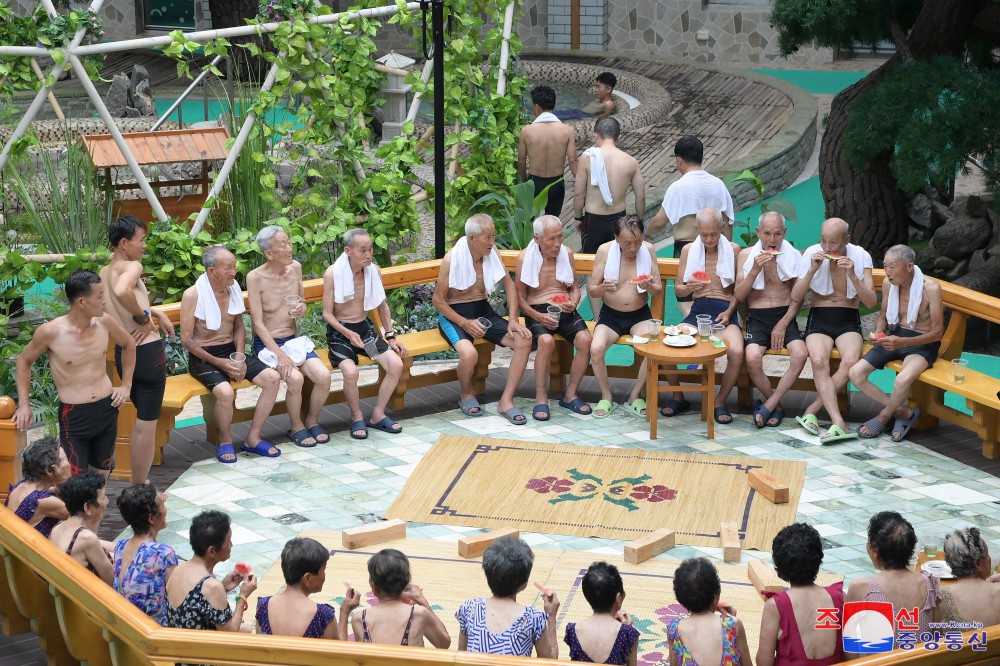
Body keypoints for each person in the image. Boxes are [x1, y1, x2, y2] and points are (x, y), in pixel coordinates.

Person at [13, 269, 135, 476]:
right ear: (81, 302)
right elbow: (24, 362)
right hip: (74, 414)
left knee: (101, 475)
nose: (105, 301)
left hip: (107, 407)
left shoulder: (105, 322)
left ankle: (98, 508)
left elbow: (129, 344)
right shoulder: (51, 332)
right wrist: (24, 406)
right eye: (99, 296)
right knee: (74, 479)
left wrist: (126, 386)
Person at [180, 246, 282, 463]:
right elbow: (187, 340)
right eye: (228, 267)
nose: (234, 271)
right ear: (211, 271)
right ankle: (225, 440)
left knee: (273, 378)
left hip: (230, 351)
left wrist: (238, 357)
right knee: (226, 393)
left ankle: (253, 437)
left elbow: (238, 327)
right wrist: (220, 363)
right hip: (204, 355)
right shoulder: (193, 295)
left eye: (234, 266)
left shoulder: (232, 287)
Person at [433, 215, 533, 424]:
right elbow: (438, 301)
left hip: (482, 310)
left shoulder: (491, 253)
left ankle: (506, 400)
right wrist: (464, 323)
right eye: (488, 237)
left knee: (523, 340)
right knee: (469, 354)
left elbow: (509, 285)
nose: (492, 242)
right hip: (453, 315)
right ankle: (466, 393)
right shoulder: (452, 259)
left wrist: (514, 320)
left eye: (493, 236)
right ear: (472, 238)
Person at [100, 215, 174, 484]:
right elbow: (123, 291)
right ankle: (139, 485)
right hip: (148, 352)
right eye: (141, 240)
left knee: (141, 421)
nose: (144, 245)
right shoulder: (132, 267)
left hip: (125, 352)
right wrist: (144, 319)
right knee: (146, 424)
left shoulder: (103, 273)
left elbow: (112, 305)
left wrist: (154, 311)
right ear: (123, 243)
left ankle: (137, 482)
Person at [791, 218, 877, 444]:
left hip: (848, 318)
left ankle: (812, 409)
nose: (827, 248)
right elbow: (796, 296)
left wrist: (853, 276)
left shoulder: (861, 256)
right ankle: (838, 422)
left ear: (847, 240)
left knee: (850, 361)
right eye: (823, 241)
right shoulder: (812, 253)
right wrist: (811, 270)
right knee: (819, 360)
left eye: (834, 244)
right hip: (819, 318)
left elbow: (870, 301)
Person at [849, 244, 944, 442]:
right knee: (855, 373)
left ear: (909, 267)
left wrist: (903, 342)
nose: (887, 272)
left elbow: (937, 333)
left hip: (922, 343)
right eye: (885, 266)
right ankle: (902, 412)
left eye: (893, 266)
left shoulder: (931, 288)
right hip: (896, 337)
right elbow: (883, 315)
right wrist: (878, 333)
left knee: (901, 380)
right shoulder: (888, 283)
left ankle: (884, 416)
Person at [248, 225, 332, 447]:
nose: (289, 248)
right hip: (267, 344)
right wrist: (280, 355)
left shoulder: (295, 267)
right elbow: (257, 323)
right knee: (295, 379)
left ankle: (312, 420)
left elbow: (301, 302)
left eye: (289, 242)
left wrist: (301, 310)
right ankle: (296, 426)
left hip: (294, 340)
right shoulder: (255, 277)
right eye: (283, 244)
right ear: (268, 253)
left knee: (323, 376)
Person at [322, 228, 408, 439]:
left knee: (396, 365)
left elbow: (382, 306)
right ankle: (356, 416)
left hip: (364, 332)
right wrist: (347, 333)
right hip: (340, 334)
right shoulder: (333, 273)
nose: (368, 254)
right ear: (348, 250)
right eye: (363, 250)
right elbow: (327, 314)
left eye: (370, 249)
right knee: (351, 372)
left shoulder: (373, 271)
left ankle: (378, 414)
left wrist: (391, 336)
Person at [663, 208, 743, 423]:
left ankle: (720, 400)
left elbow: (740, 291)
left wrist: (729, 312)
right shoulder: (689, 250)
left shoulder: (734, 250)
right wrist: (689, 286)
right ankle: (678, 395)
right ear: (697, 230)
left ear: (722, 228)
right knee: (665, 344)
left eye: (714, 234)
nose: (708, 239)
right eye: (704, 234)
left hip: (725, 313)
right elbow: (678, 289)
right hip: (698, 313)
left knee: (736, 351)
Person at [647, 136, 735, 317]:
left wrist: (645, 235)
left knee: (687, 300)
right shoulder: (718, 184)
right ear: (701, 157)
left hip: (685, 248)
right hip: (717, 248)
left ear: (679, 160)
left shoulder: (678, 186)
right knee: (716, 295)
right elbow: (727, 222)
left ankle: (695, 328)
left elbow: (659, 221)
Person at [515, 215, 593, 419]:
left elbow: (575, 288)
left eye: (560, 237)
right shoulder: (525, 258)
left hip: (564, 308)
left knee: (586, 340)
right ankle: (541, 397)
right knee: (546, 341)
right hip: (537, 310)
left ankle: (570, 394)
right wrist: (538, 317)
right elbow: (520, 299)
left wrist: (573, 303)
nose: (557, 244)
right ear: (537, 239)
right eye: (551, 239)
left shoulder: (566, 253)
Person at [734, 212, 807, 428]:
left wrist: (783, 324)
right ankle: (778, 407)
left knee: (801, 354)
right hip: (757, 316)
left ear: (784, 233)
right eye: (766, 233)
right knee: (752, 357)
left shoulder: (794, 256)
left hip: (785, 316)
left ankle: (770, 404)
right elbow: (739, 295)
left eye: (777, 234)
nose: (772, 240)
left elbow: (798, 297)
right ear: (758, 233)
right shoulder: (746, 255)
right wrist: (755, 269)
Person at [589, 215, 660, 419]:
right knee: (596, 348)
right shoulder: (604, 251)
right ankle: (606, 395)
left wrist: (649, 286)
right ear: (617, 238)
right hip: (610, 315)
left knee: (652, 347)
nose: (633, 248)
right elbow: (593, 291)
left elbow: (658, 291)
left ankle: (635, 395)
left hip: (640, 315)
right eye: (627, 243)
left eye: (637, 241)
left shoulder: (649, 250)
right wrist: (602, 287)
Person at [845, 511, 940, 652]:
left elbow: (849, 648)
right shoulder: (929, 583)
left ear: (875, 549)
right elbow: (937, 636)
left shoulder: (861, 588)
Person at [456, 536, 560, 658]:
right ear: (524, 583)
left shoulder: (469, 608)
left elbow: (461, 657)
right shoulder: (533, 618)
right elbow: (551, 662)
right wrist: (551, 616)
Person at [757, 523, 843, 666]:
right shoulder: (839, 598)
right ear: (818, 559)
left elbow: (763, 661)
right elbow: (849, 654)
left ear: (779, 564)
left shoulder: (776, 606)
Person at [165, 510, 255, 637]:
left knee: (245, 629)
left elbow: (193, 604)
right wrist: (243, 596)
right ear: (212, 551)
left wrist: (223, 587)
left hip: (179, 642)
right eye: (228, 541)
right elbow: (231, 634)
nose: (231, 545)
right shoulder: (211, 586)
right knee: (246, 632)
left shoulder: (178, 570)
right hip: (199, 651)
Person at [258, 537, 360, 640]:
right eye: (323, 571)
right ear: (308, 578)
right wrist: (344, 612)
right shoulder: (322, 616)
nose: (324, 575)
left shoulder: (263, 606)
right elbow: (340, 652)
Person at [573, 117, 646, 256]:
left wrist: (578, 218)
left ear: (596, 136)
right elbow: (640, 197)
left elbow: (578, 193)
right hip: (620, 220)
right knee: (619, 262)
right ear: (619, 138)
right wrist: (639, 221)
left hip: (593, 221)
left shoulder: (587, 159)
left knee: (592, 264)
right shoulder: (631, 162)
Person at [352, 548, 450, 648]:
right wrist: (423, 602)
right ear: (406, 582)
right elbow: (444, 643)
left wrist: (344, 612)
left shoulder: (359, 619)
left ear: (373, 584)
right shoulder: (419, 614)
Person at [666, 557, 752, 666]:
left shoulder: (674, 630)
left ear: (680, 599)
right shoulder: (733, 625)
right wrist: (730, 621)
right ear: (716, 595)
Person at [114, 483, 178, 625]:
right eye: (162, 505)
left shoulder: (120, 546)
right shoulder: (163, 553)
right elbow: (180, 599)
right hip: (152, 632)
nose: (166, 510)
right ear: (151, 518)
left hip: (125, 625)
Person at [518, 85, 578, 218]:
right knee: (553, 221)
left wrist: (524, 180)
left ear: (537, 107)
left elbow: (521, 162)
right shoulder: (566, 130)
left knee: (531, 223)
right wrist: (579, 183)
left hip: (534, 183)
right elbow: (573, 160)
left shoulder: (526, 131)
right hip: (556, 183)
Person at [564, 561, 639, 666]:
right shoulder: (628, 634)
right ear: (619, 598)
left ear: (587, 596)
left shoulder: (572, 630)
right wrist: (626, 630)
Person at [48, 471, 114, 585]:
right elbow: (112, 580)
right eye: (103, 497)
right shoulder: (86, 538)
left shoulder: (57, 527)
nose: (107, 501)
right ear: (88, 507)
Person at [3, 437, 69, 537]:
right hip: (28, 551)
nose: (68, 464)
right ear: (50, 471)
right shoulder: (44, 501)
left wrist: (59, 482)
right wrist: (67, 479)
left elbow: (54, 490)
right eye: (65, 460)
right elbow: (85, 515)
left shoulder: (21, 485)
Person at [938, 527, 1000, 627]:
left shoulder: (941, 596)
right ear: (979, 564)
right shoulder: (997, 593)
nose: (990, 558)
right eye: (988, 554)